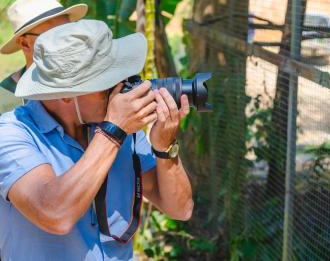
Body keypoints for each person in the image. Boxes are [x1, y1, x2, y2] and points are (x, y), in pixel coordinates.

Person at [0, 20, 193, 260]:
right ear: (67, 95)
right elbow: (55, 214)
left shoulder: (121, 126)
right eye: (108, 84)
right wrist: (113, 131)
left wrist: (165, 148)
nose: (119, 89)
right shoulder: (11, 134)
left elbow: (181, 209)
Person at [0, 0, 87, 113]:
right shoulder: (6, 100)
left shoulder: (88, 79)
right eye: (54, 35)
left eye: (69, 31)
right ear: (25, 44)